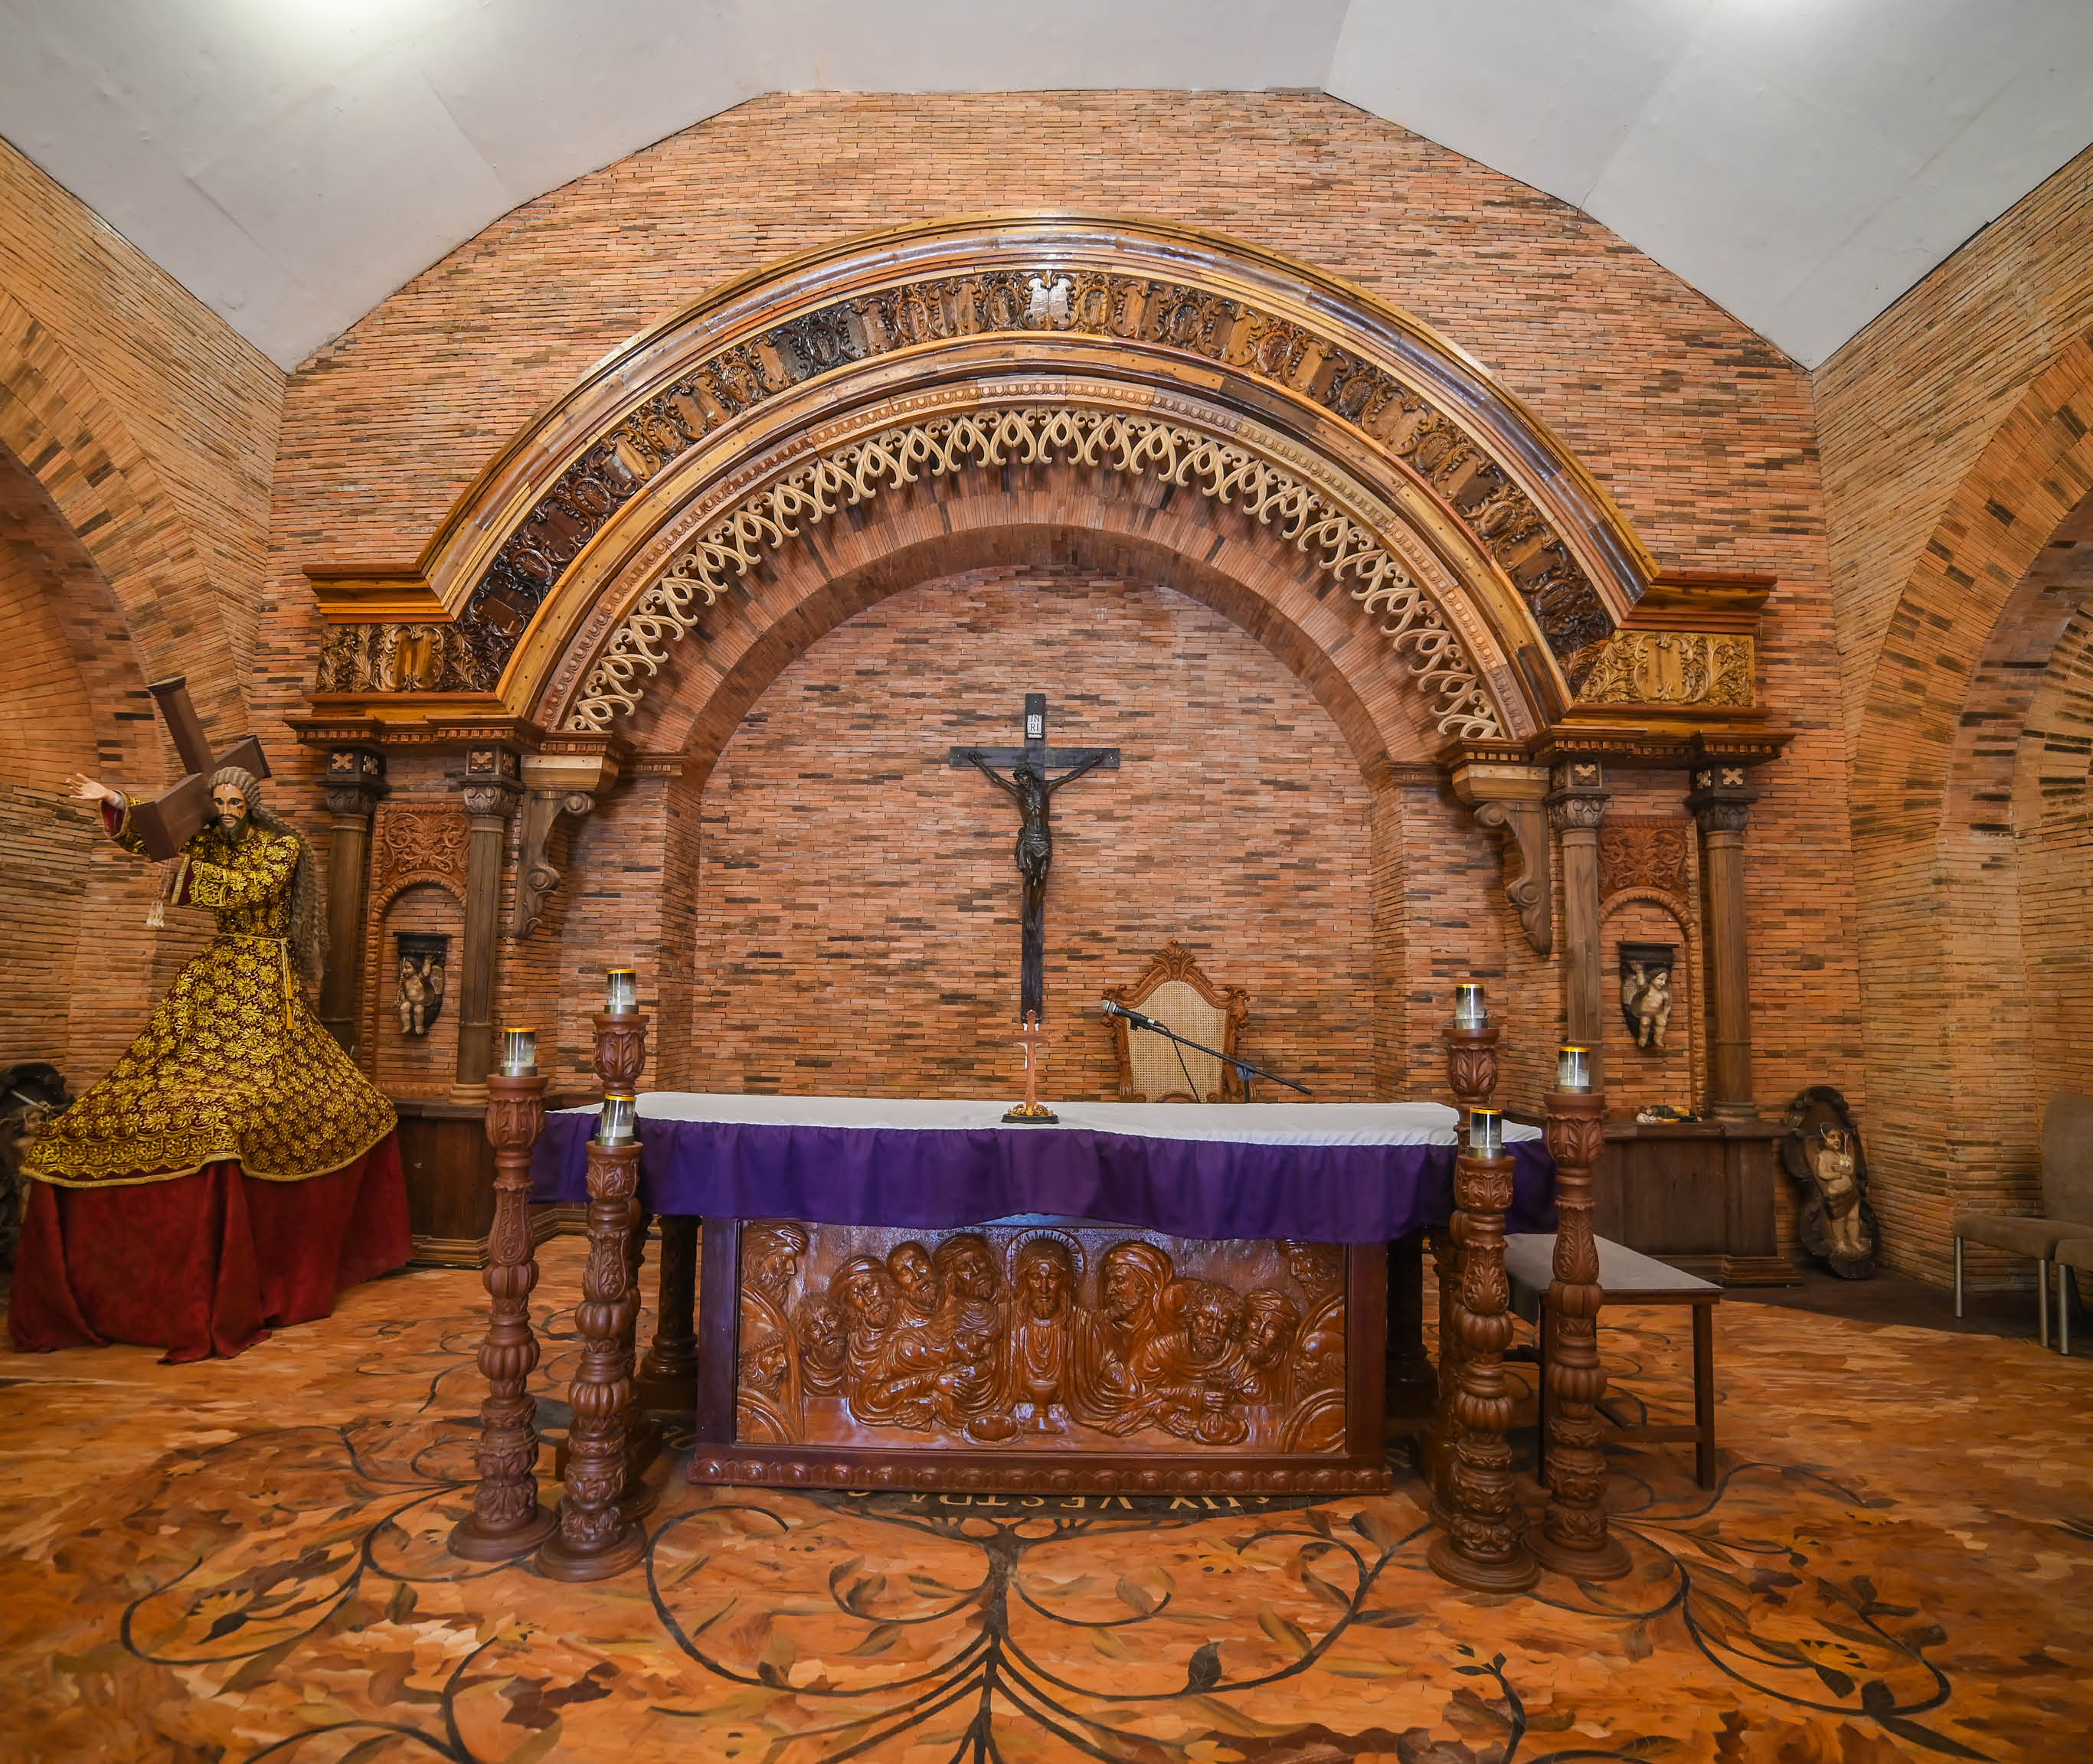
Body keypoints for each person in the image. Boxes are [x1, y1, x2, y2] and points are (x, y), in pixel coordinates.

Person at [8, 767, 407, 1361]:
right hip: (215, 972)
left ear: (253, 803)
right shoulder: (208, 841)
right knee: (152, 1071)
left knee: (287, 1092)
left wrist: (187, 871)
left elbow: (251, 889)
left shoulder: (282, 847)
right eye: (217, 801)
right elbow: (155, 834)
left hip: (265, 977)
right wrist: (115, 799)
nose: (225, 810)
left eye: (234, 801)